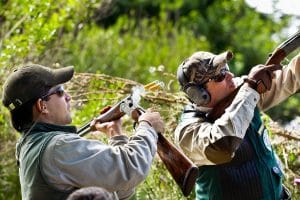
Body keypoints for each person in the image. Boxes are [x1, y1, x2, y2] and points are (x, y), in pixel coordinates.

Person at [1, 64, 165, 200]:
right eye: (60, 91)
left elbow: (122, 187)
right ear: (41, 106)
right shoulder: (57, 148)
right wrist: (147, 127)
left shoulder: (28, 146)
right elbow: (132, 169)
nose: (68, 97)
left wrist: (116, 136)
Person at [174, 50, 298, 199]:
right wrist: (250, 89)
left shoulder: (242, 92)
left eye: (226, 69)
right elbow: (222, 145)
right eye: (220, 75)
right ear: (198, 93)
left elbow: (290, 78)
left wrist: (251, 87)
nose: (230, 76)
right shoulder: (187, 132)